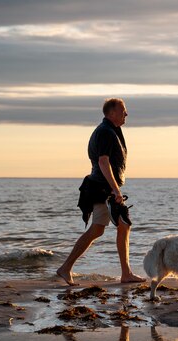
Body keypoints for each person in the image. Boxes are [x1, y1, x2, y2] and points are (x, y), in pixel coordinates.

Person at [57, 98, 145, 286]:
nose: (126, 114)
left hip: (102, 186)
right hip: (102, 188)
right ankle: (66, 268)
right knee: (110, 227)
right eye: (123, 111)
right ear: (112, 113)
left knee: (114, 227)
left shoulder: (110, 130)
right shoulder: (105, 132)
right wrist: (115, 189)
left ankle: (125, 273)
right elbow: (103, 162)